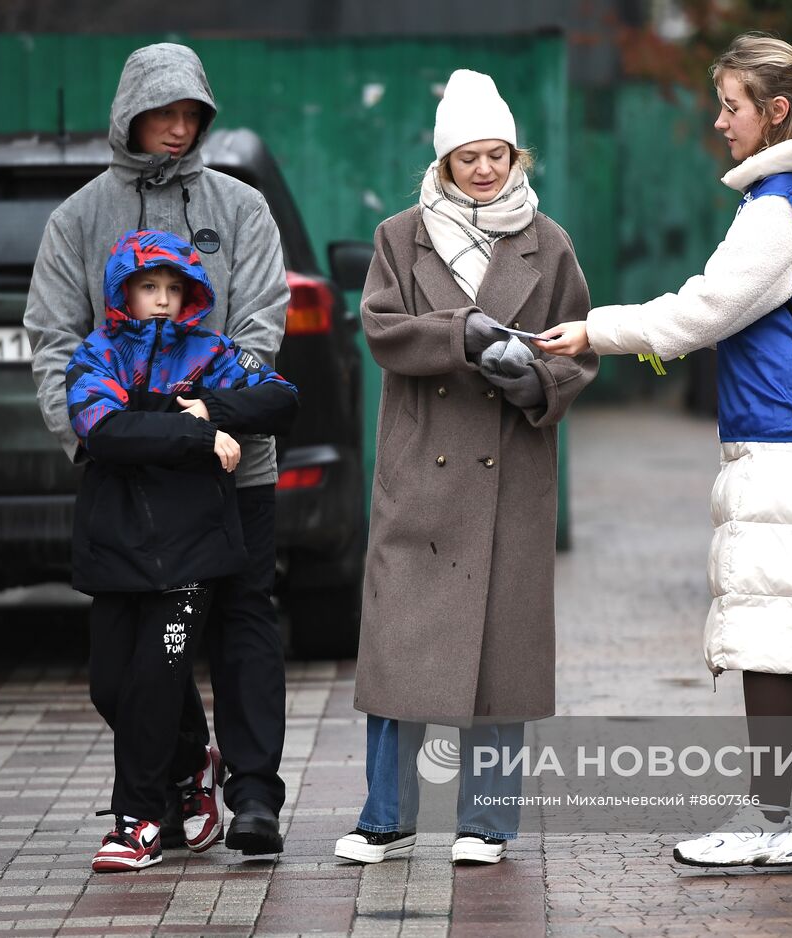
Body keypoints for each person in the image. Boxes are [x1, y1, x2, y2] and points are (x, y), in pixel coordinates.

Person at [539, 32, 792, 867]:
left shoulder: (780, 210)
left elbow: (698, 314)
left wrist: (595, 329)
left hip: (787, 445)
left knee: (772, 635)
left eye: (730, 107)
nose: (719, 123)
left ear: (774, 113)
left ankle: (768, 826)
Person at [25, 43, 293, 856]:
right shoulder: (78, 217)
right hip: (129, 483)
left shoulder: (241, 208)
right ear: (128, 114)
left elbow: (257, 330)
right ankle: (180, 770)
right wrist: (98, 435)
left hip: (232, 468)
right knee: (137, 653)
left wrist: (209, 417)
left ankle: (252, 795)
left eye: (191, 115)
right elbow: (52, 339)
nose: (178, 129)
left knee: (244, 620)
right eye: (162, 112)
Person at [333, 69, 598, 866]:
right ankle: (387, 816)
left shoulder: (547, 243)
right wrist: (464, 333)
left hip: (508, 470)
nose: (484, 170)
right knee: (398, 651)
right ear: (443, 163)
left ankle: (487, 822)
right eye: (467, 158)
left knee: (501, 655)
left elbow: (579, 343)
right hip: (421, 469)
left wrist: (539, 379)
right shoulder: (399, 235)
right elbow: (380, 329)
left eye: (497, 155)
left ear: (517, 156)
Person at [69, 229, 297, 872]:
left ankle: (135, 821)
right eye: (149, 288)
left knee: (155, 679)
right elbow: (105, 430)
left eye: (175, 288)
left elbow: (281, 397)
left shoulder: (214, 352)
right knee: (110, 685)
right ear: (123, 294)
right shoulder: (96, 355)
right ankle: (193, 757)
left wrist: (212, 408)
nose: (163, 301)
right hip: (118, 546)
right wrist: (197, 438)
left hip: (194, 551)